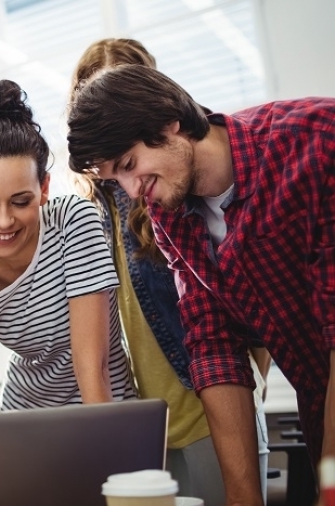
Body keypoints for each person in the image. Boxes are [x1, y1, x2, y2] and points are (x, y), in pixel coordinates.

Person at [67, 64, 335, 506]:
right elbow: (213, 346)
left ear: (169, 122)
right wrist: (242, 498)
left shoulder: (315, 143)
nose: (133, 191)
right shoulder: (169, 213)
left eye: (130, 165)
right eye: (117, 178)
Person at [0, 79, 135, 416]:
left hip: (102, 411)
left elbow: (93, 369)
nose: (4, 220)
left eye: (21, 201)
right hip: (23, 416)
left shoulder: (73, 221)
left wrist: (104, 450)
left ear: (43, 188)